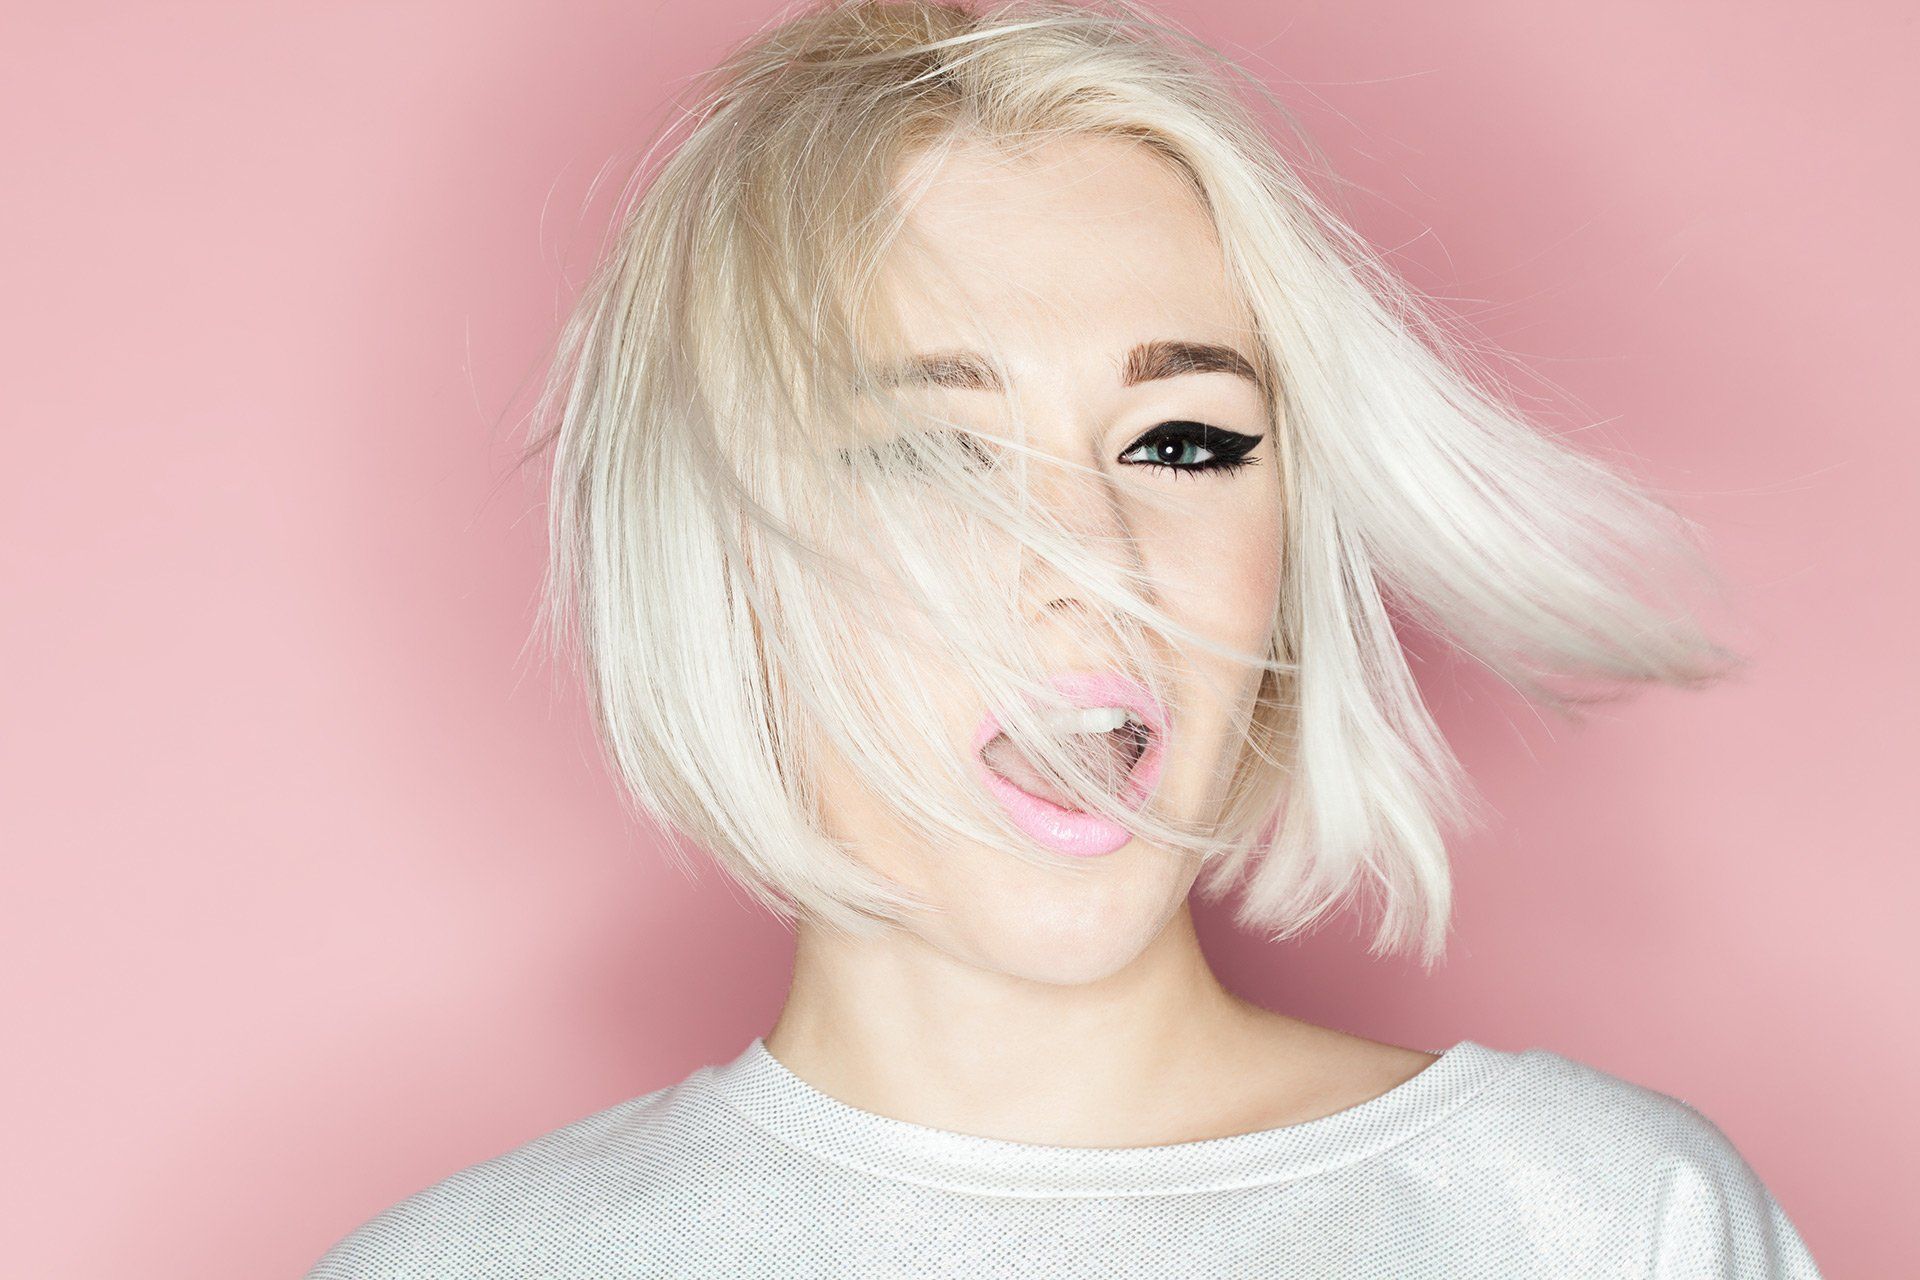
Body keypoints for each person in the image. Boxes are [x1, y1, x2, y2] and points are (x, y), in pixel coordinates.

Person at [305, 1, 1823, 1275]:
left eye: (1182, 444)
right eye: (936, 455)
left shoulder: (1608, 1228)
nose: (1091, 564)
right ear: (724, 554)